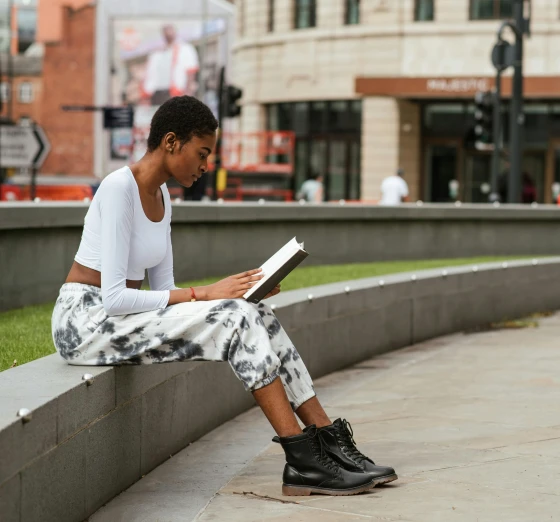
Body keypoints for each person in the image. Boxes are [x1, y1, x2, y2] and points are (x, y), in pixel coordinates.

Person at [50, 96, 395, 497]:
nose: (205, 166)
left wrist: (242, 293)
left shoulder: (163, 200)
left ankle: (329, 441)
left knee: (253, 310)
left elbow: (164, 291)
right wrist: (206, 294)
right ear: (171, 142)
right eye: (202, 153)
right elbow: (112, 299)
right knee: (233, 316)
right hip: (84, 321)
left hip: (119, 320)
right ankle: (302, 461)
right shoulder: (118, 188)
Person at [142, 25, 199, 105]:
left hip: (176, 92)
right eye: (165, 30)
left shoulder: (185, 49)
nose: (168, 33)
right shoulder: (157, 53)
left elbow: (191, 71)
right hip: (157, 92)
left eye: (170, 29)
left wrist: (188, 92)